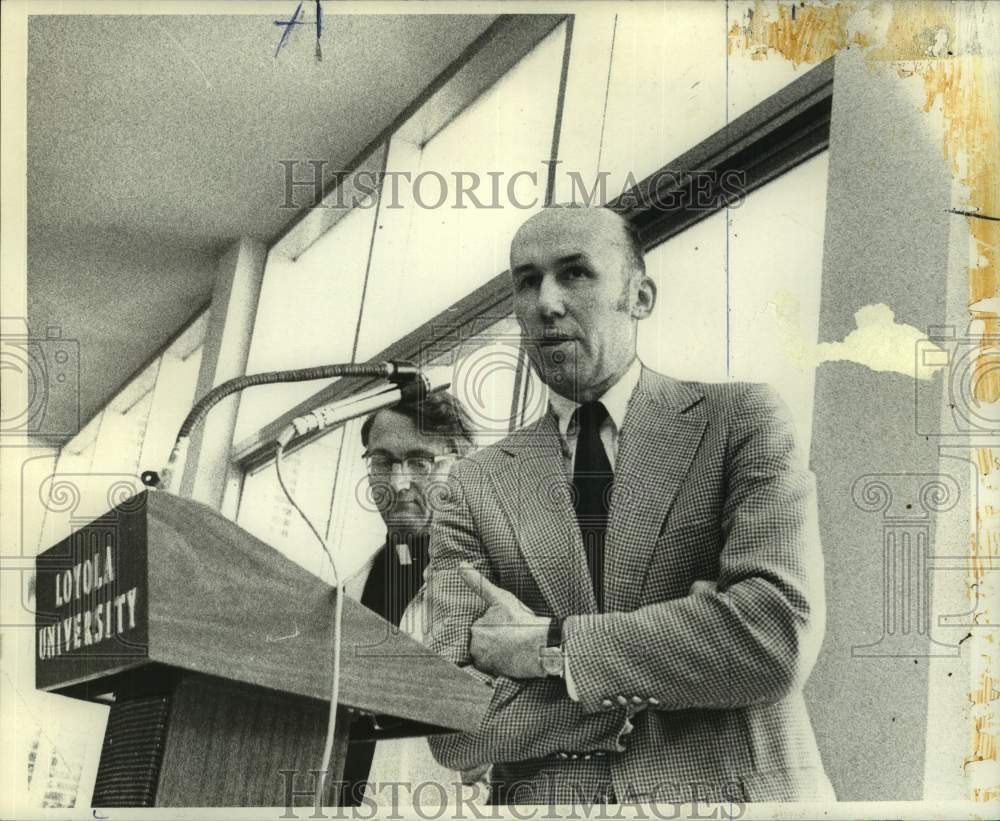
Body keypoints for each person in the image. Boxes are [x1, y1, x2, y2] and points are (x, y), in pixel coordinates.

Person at [426, 204, 835, 805]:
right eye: (526, 280)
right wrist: (673, 656)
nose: (546, 302)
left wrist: (546, 648)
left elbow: (772, 638)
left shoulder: (739, 422)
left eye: (575, 274)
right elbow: (449, 725)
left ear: (640, 297)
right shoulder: (472, 486)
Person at [337, 390, 480, 806]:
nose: (398, 483)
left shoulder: (497, 589)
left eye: (420, 462)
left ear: (463, 467)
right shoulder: (345, 591)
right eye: (382, 462)